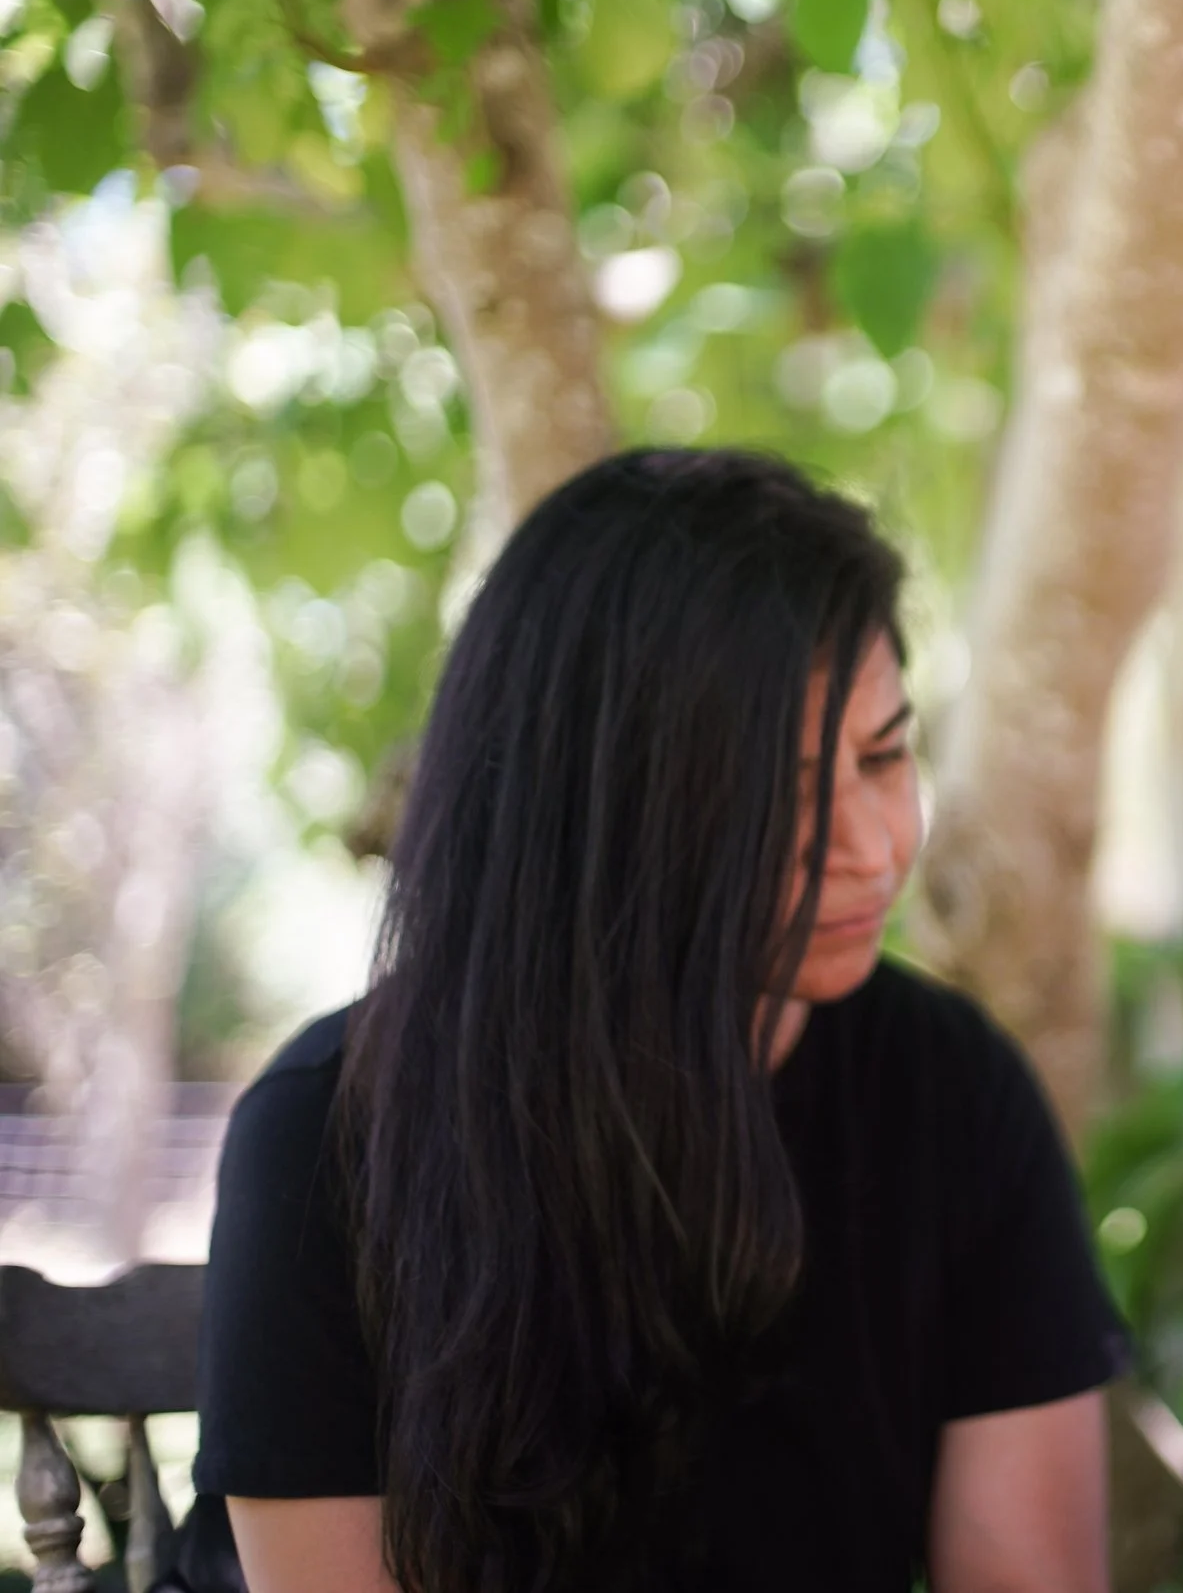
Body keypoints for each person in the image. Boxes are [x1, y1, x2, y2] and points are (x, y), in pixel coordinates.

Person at [190, 450, 1127, 1593]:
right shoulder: (328, 1141)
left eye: (885, 757)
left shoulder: (954, 1096)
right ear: (601, 811)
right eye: (776, 797)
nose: (873, 848)